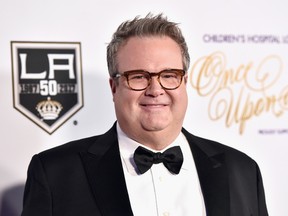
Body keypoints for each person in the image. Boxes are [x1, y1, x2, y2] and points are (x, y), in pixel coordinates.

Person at [21, 13, 269, 216]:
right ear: (114, 87)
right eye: (139, 77)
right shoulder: (55, 174)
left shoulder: (242, 170)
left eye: (169, 75)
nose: (155, 90)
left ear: (184, 83)